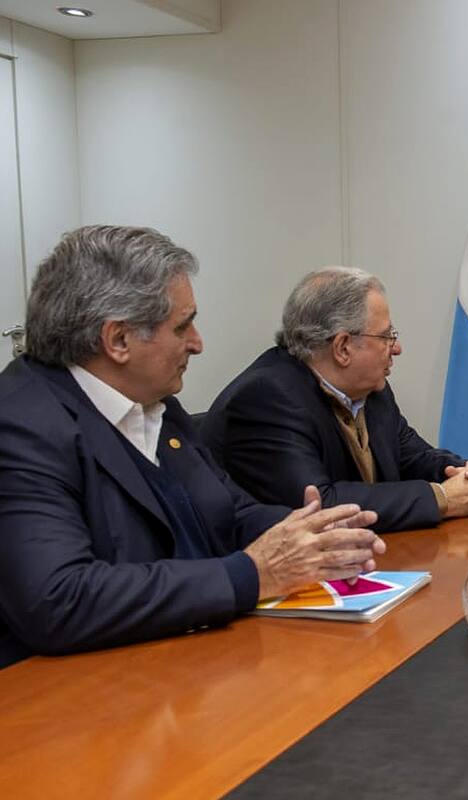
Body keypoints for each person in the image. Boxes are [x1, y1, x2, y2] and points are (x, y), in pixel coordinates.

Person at [0, 226, 384, 668]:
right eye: (183, 326)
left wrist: (314, 535)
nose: (198, 343)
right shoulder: (22, 426)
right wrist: (252, 575)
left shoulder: (156, 404)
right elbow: (58, 600)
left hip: (188, 662)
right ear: (118, 340)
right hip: (73, 698)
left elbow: (228, 512)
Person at [203, 267, 468, 532]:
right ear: (343, 347)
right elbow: (320, 506)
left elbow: (413, 456)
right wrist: (444, 498)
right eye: (386, 337)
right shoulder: (266, 399)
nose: (396, 348)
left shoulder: (371, 391)